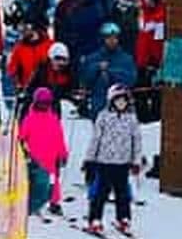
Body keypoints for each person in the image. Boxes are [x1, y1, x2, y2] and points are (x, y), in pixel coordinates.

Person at [83, 84, 142, 235]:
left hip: (123, 163)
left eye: (124, 101)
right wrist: (89, 159)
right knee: (100, 193)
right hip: (104, 162)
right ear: (111, 101)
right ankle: (95, 219)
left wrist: (136, 161)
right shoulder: (103, 117)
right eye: (118, 100)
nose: (121, 104)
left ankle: (124, 218)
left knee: (122, 193)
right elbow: (95, 139)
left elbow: (136, 141)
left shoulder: (131, 119)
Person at [18, 87, 69, 216]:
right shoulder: (29, 119)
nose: (43, 105)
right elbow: (22, 136)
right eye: (41, 103)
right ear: (35, 102)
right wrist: (21, 149)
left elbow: (59, 137)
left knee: (53, 181)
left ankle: (54, 202)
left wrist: (63, 154)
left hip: (52, 157)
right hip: (35, 158)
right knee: (34, 180)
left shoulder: (54, 119)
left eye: (46, 103)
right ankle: (31, 201)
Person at [80, 21, 137, 120]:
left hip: (121, 108)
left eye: (115, 38)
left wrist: (111, 72)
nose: (112, 41)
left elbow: (131, 79)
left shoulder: (126, 59)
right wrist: (97, 68)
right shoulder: (93, 58)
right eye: (108, 38)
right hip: (99, 107)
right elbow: (85, 79)